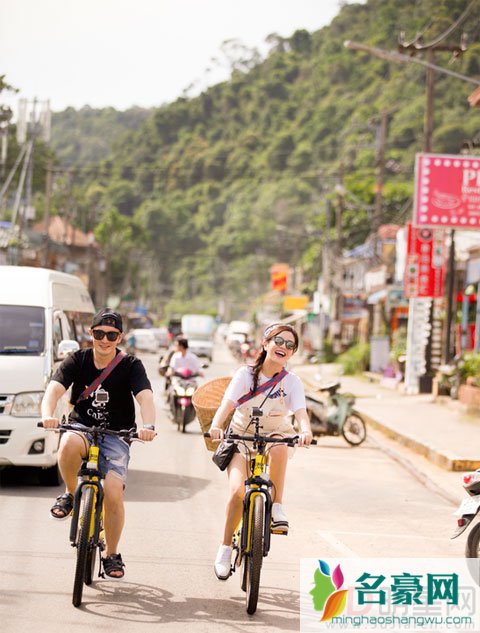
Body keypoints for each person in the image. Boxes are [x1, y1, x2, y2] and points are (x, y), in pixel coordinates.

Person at [41, 308, 157, 580]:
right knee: (68, 442)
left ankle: (111, 554)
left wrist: (148, 426)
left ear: (120, 338)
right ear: (90, 334)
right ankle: (71, 493)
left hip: (117, 436)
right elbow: (54, 389)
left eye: (112, 335)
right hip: (82, 427)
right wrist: (48, 414)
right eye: (99, 334)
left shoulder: (130, 365)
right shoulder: (77, 359)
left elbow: (145, 397)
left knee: (114, 493)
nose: (105, 340)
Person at [208, 322, 313, 580]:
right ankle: (224, 548)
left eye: (290, 345)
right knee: (236, 492)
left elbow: (300, 412)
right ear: (265, 344)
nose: (283, 347)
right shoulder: (245, 375)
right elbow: (227, 404)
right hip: (241, 436)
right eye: (278, 341)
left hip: (274, 432)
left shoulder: (292, 382)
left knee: (279, 447)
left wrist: (306, 431)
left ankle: (277, 507)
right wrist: (215, 425)